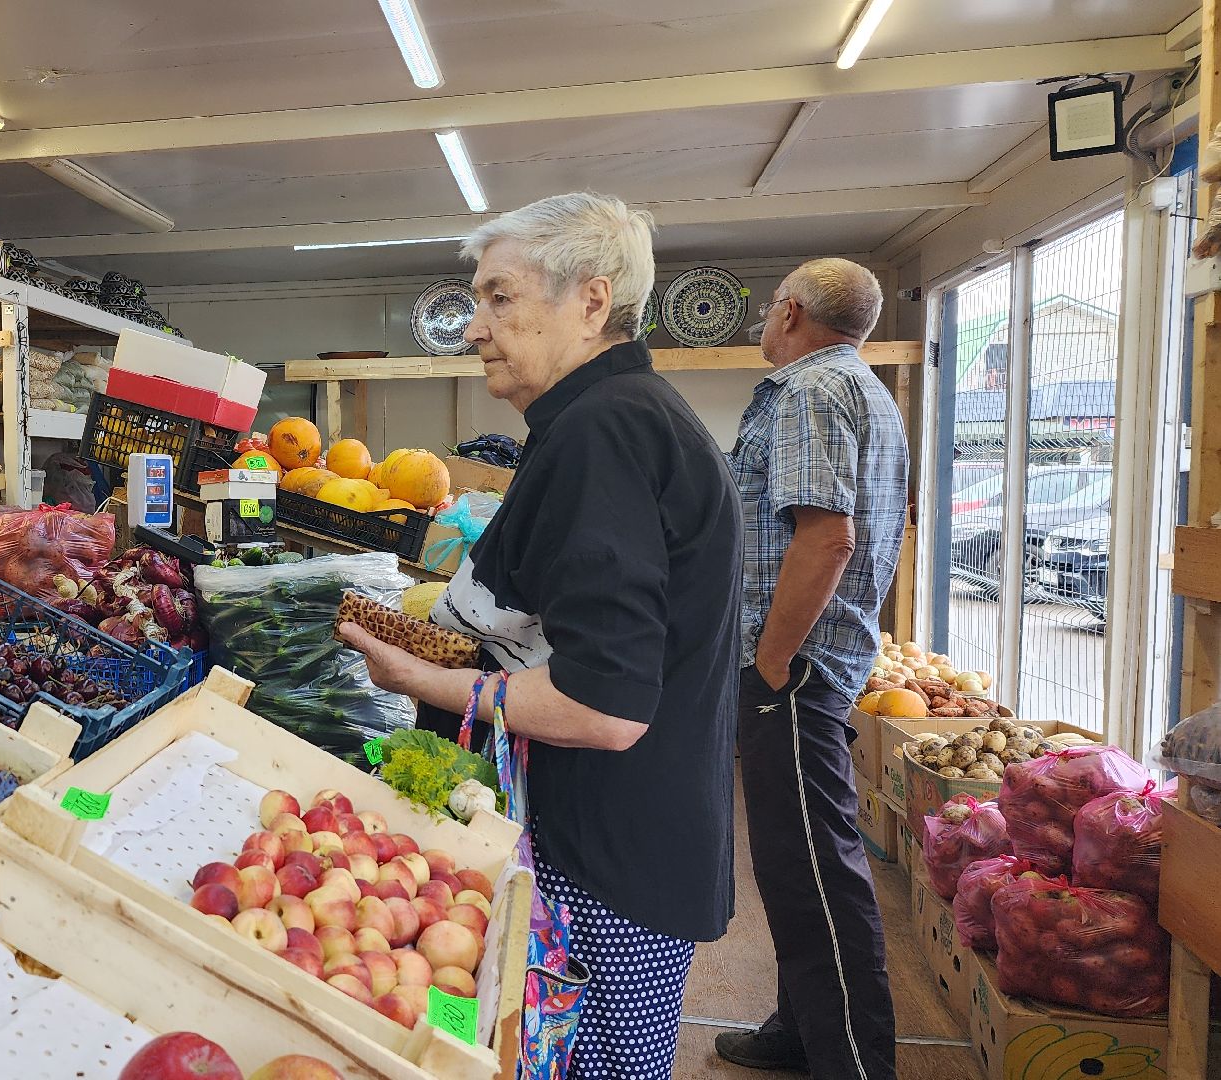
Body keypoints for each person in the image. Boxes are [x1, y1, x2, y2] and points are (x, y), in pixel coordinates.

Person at [338, 191, 741, 1080]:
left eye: (500, 297)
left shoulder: (605, 432)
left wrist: (419, 678)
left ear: (592, 302)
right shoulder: (623, 416)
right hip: (625, 844)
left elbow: (605, 706)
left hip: (602, 868)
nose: (474, 326)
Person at [714, 258, 907, 1080]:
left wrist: (770, 662)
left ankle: (853, 1064)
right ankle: (800, 1029)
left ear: (790, 312)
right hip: (816, 661)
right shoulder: (859, 387)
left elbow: (827, 538)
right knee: (797, 864)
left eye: (768, 307)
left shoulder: (810, 392)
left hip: (795, 671)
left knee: (816, 871)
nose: (764, 319)